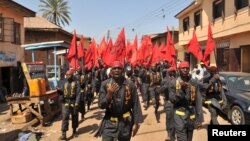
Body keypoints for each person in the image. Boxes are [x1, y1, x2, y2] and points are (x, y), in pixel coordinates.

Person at [95, 61, 143, 141]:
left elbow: (136, 104)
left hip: (125, 123)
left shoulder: (130, 84)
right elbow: (101, 105)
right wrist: (109, 95)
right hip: (110, 122)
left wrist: (136, 123)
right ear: (111, 71)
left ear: (123, 70)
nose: (117, 70)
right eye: (114, 68)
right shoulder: (105, 84)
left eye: (119, 68)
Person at [168, 61, 204, 141]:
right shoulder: (173, 83)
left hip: (191, 116)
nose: (185, 70)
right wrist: (182, 90)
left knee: (189, 139)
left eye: (187, 68)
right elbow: (172, 100)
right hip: (179, 116)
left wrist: (200, 119)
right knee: (182, 139)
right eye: (183, 68)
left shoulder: (194, 82)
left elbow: (198, 101)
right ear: (178, 70)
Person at [57, 69, 81, 140]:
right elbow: (62, 93)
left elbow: (78, 93)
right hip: (66, 103)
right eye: (67, 75)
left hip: (73, 102)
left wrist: (77, 102)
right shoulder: (64, 83)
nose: (68, 76)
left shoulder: (76, 83)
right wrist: (59, 92)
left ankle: (74, 131)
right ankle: (64, 134)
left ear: (72, 75)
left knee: (74, 117)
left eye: (69, 75)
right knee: (65, 118)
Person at [159, 67, 176, 141]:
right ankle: (169, 134)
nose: (172, 73)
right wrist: (168, 84)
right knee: (169, 118)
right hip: (168, 102)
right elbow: (160, 90)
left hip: (177, 103)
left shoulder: (178, 80)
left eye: (173, 72)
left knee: (176, 119)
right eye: (171, 72)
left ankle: (174, 133)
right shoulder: (165, 80)